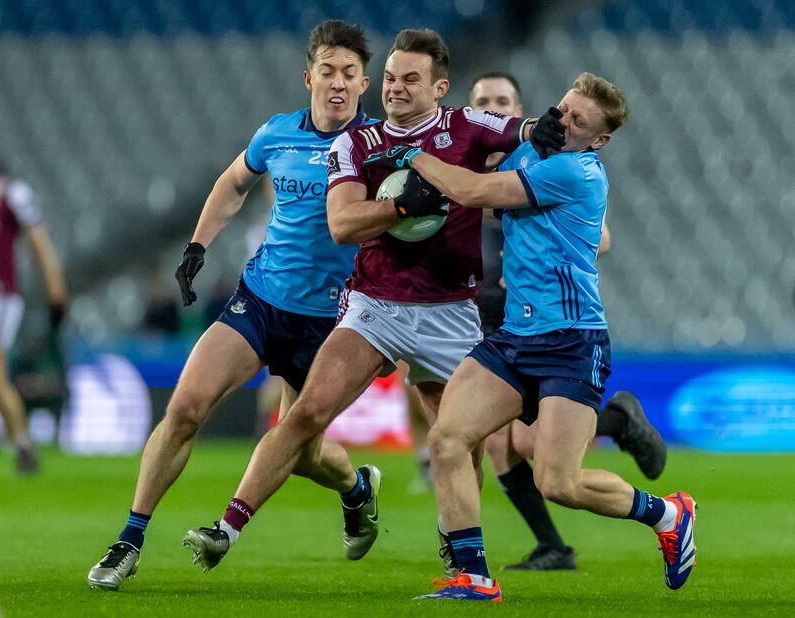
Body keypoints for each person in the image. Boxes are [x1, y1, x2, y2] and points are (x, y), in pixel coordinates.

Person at [182, 28, 566, 571]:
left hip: (450, 312)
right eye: (389, 78)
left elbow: (519, 129)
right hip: (373, 304)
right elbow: (342, 224)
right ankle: (226, 528)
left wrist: (543, 128)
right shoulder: (357, 144)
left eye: (411, 79)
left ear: (440, 87)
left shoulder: (464, 125)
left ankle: (459, 553)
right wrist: (402, 208)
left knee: (459, 437)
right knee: (307, 411)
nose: (396, 89)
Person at [374, 72, 695, 601]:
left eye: (578, 121)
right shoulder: (534, 153)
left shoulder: (577, 170)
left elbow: (473, 191)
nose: (563, 122)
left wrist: (411, 153)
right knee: (449, 437)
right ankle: (473, 576)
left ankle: (667, 512)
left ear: (600, 140)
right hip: (515, 334)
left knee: (558, 483)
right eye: (562, 109)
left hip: (571, 340)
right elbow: (478, 183)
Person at [87, 20, 380, 591]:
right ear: (309, 78)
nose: (338, 83)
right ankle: (128, 540)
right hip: (261, 301)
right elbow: (232, 183)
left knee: (301, 450)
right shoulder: (277, 134)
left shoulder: (380, 147)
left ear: (364, 83)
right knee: (186, 408)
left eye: (349, 73)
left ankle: (357, 489)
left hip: (330, 323)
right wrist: (198, 244)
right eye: (328, 72)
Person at [468, 72, 666, 572]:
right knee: (489, 440)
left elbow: (597, 235)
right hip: (487, 316)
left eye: (503, 101)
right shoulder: (489, 153)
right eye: (483, 102)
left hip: (549, 322)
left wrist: (551, 259)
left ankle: (617, 428)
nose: (493, 106)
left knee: (533, 450)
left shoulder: (553, 160)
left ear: (520, 111)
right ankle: (547, 544)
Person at [0, 156, 67, 474]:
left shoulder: (12, 193)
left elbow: (39, 241)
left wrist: (55, 288)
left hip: (0, 296)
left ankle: (22, 444)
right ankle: (22, 443)